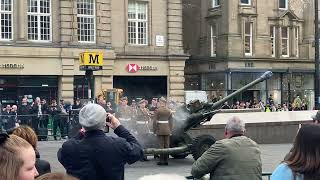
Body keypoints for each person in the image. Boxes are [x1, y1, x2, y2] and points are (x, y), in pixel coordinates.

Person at [57, 103, 143, 180]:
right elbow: (138, 150)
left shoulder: (69, 148)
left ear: (82, 122)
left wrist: (81, 133)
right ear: (104, 122)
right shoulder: (118, 145)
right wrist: (118, 127)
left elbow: (62, 156)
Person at [191, 116, 262, 180]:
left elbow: (196, 170)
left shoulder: (221, 146)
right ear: (244, 131)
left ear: (226, 131)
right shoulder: (254, 145)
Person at [153, 97, 173, 166]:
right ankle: (166, 160)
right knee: (167, 145)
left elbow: (154, 122)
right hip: (167, 129)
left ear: (161, 102)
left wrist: (154, 130)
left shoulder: (157, 110)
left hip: (160, 129)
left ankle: (161, 161)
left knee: (161, 146)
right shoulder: (169, 111)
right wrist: (170, 130)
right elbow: (171, 122)